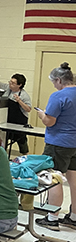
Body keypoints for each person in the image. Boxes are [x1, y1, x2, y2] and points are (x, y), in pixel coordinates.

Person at [35, 62, 76, 231]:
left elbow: (50, 121)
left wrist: (42, 114)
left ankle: (52, 218)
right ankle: (74, 217)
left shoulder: (58, 96)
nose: (54, 85)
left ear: (59, 80)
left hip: (59, 143)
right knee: (74, 179)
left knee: (54, 178)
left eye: (53, 82)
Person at [1, 73, 32, 154]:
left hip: (19, 123)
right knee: (4, 141)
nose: (10, 84)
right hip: (7, 122)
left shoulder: (24, 95)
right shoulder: (7, 88)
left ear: (20, 85)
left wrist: (19, 101)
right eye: (10, 82)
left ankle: (26, 157)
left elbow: (28, 109)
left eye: (13, 83)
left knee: (22, 142)